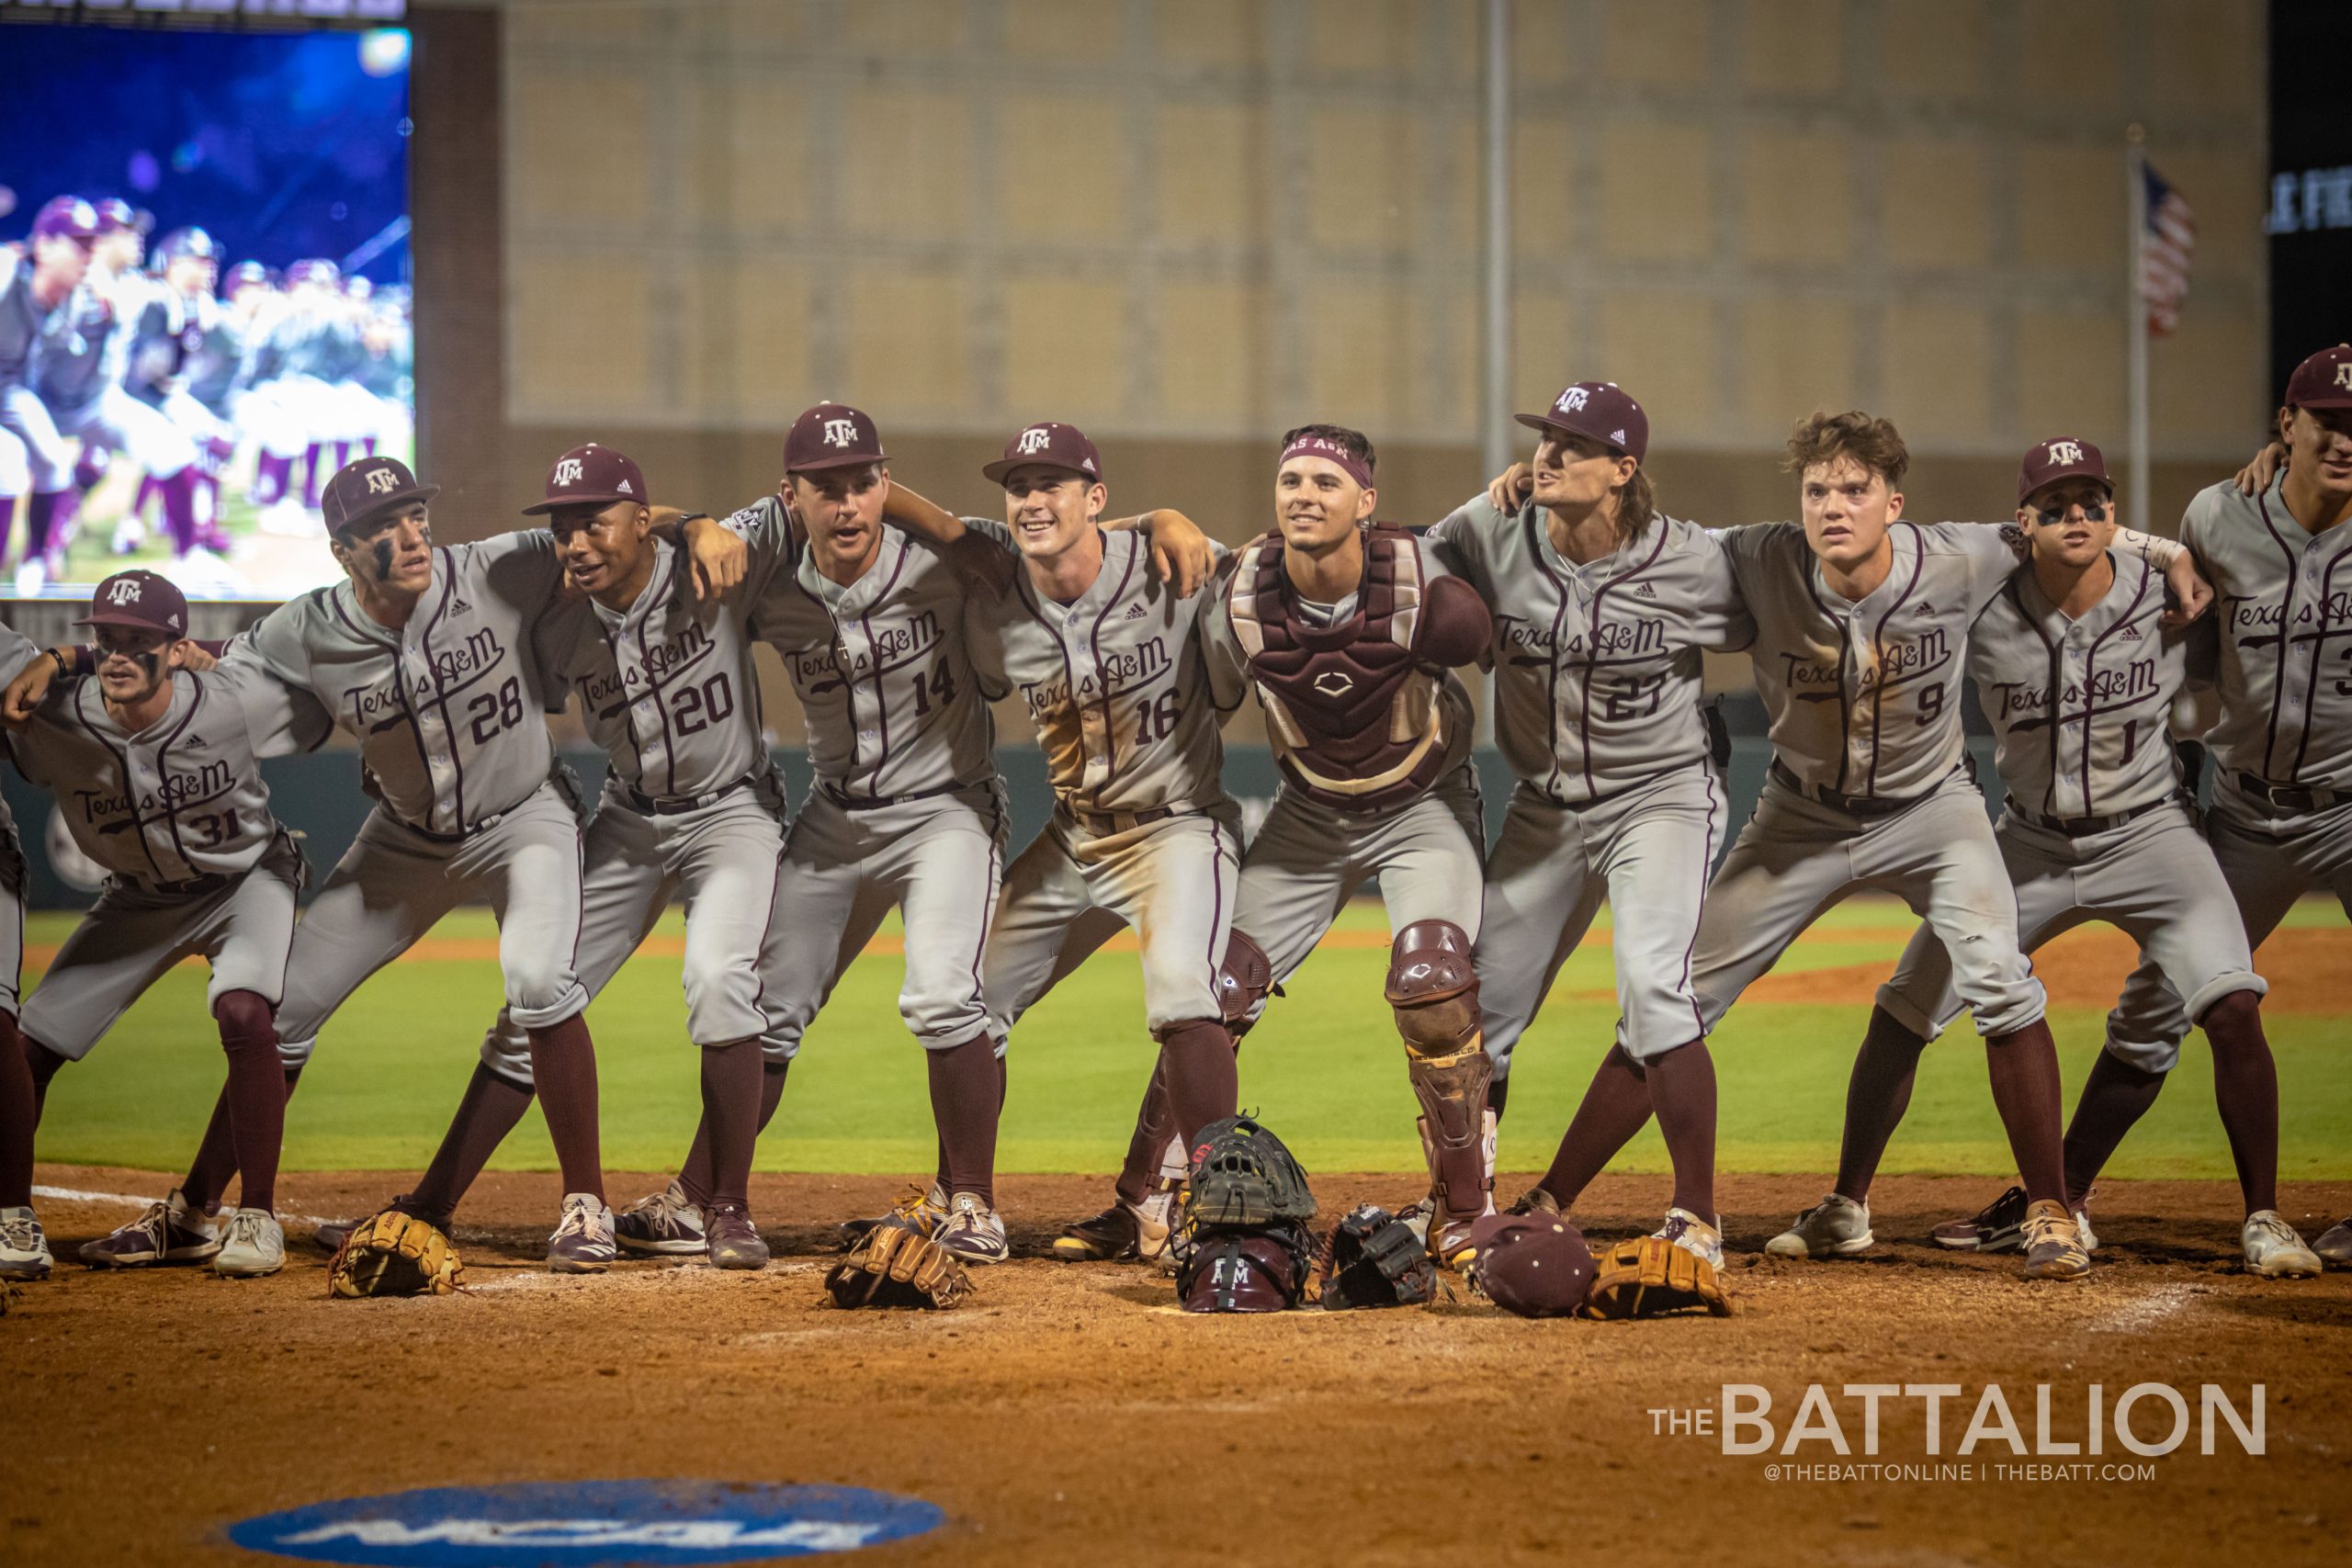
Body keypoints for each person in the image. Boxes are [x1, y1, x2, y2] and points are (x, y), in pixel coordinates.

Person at [1778, 438, 2319, 1278]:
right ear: (2022, 521)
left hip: (2153, 835)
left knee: (2232, 1001)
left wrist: (2170, 551)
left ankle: (2265, 1217)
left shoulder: (2173, 597)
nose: (2078, 517)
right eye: (2055, 505)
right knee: (1908, 1000)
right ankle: (1846, 1203)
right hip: (2026, 841)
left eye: (2093, 502)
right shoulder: (1982, 602)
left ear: (2113, 511)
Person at [1427, 382, 1751, 1267]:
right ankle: (1464, 1203)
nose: (1550, 454)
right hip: (1546, 808)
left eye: (1576, 444)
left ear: (1623, 469)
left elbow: (1800, 587)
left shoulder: (1695, 558)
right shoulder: (1488, 529)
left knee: (1654, 988)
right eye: (1546, 439)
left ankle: (1695, 1218)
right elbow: (1392, 569)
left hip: (1663, 797)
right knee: (1471, 1015)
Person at [2, 570, 331, 1278]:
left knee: (246, 1013)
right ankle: (10, 1215)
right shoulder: (55, 716)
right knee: (28, 1051)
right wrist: (59, 661)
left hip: (247, 880)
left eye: (140, 642)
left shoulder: (233, 697)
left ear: (176, 649)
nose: (118, 655)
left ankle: (257, 1215)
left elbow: (321, 684)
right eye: (105, 640)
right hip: (137, 900)